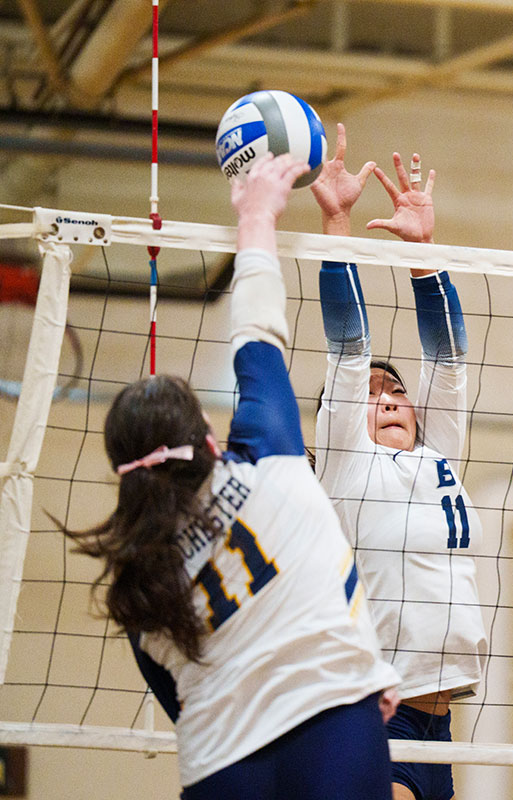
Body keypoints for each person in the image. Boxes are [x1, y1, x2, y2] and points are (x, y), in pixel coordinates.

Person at [62, 153, 401, 800]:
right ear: (209, 440)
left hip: (218, 763)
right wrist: (255, 216)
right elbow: (257, 330)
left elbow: (181, 704)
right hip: (331, 723)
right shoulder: (270, 461)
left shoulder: (137, 586)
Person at [310, 124, 488, 800]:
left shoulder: (439, 454)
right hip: (377, 713)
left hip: (438, 726)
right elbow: (349, 349)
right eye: (370, 394)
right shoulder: (346, 465)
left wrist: (423, 255)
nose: (386, 397)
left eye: (397, 390)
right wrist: (338, 223)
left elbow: (447, 357)